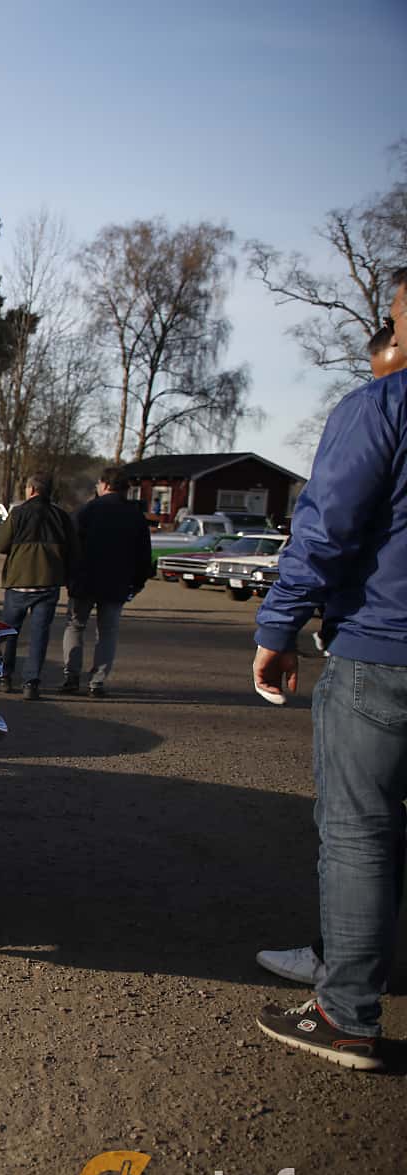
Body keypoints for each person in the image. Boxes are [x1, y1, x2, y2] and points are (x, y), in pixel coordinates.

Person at [251, 276, 407, 1072]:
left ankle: (345, 1009)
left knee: (358, 831)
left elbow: (326, 525)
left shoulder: (379, 407)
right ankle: (354, 960)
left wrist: (278, 626)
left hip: (384, 648)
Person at [59, 466, 154, 695]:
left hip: (84, 581)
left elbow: (69, 548)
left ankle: (71, 677)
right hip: (117, 583)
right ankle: (97, 681)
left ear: (104, 485)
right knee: (108, 632)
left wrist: (68, 576)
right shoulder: (135, 517)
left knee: (75, 626)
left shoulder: (85, 512)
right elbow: (144, 555)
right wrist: (138, 583)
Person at [0, 473, 77, 699]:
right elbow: (72, 549)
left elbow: (1, 545)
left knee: (10, 633)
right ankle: (31, 683)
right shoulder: (61, 516)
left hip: (19, 582)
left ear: (31, 490)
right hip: (48, 584)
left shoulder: (18, 513)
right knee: (40, 634)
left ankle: (5, 677)